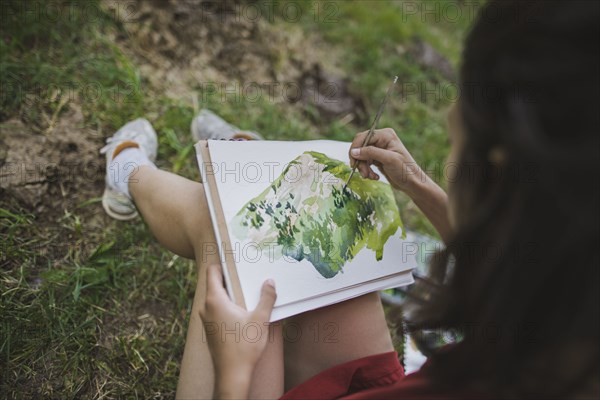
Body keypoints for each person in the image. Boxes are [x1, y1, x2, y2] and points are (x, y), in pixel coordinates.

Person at [100, 1, 599, 398]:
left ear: (500, 169)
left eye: (457, 144)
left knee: (232, 240)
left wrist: (235, 375)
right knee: (282, 234)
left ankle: (129, 170)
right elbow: (510, 262)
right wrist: (418, 184)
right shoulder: (574, 306)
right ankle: (229, 167)